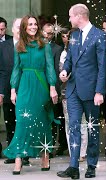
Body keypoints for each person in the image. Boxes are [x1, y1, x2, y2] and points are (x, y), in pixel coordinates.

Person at [3, 15, 58, 175]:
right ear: (25, 28)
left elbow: (49, 67)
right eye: (30, 24)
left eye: (35, 24)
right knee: (22, 122)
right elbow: (16, 69)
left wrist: (53, 87)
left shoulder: (44, 45)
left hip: (40, 87)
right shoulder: (19, 45)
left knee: (42, 123)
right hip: (24, 87)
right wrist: (13, 90)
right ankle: (19, 158)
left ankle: (45, 157)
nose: (33, 27)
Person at [57, 3, 106, 179]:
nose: (69, 19)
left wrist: (99, 91)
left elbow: (102, 67)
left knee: (92, 129)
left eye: (70, 16)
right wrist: (65, 71)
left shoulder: (99, 36)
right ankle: (74, 167)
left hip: (92, 91)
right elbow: (69, 59)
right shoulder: (74, 35)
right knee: (74, 127)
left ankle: (91, 165)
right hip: (73, 90)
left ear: (79, 16)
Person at [0, 18, 31, 166]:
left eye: (22, 27)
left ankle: (24, 154)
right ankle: (13, 153)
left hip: (25, 89)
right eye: (17, 27)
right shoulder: (4, 46)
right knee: (10, 122)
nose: (19, 29)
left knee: (24, 121)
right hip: (7, 89)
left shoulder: (29, 45)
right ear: (12, 28)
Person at [59, 28, 88, 161]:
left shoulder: (85, 50)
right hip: (67, 92)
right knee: (69, 122)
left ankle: (82, 152)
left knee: (82, 122)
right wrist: (65, 73)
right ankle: (73, 153)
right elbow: (62, 70)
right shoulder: (64, 53)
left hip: (83, 90)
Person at [42, 23, 66, 157]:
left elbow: (57, 71)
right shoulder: (36, 46)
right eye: (45, 32)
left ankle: (54, 147)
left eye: (50, 33)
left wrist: (55, 90)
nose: (47, 35)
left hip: (53, 88)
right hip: (39, 86)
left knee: (55, 119)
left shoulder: (57, 49)